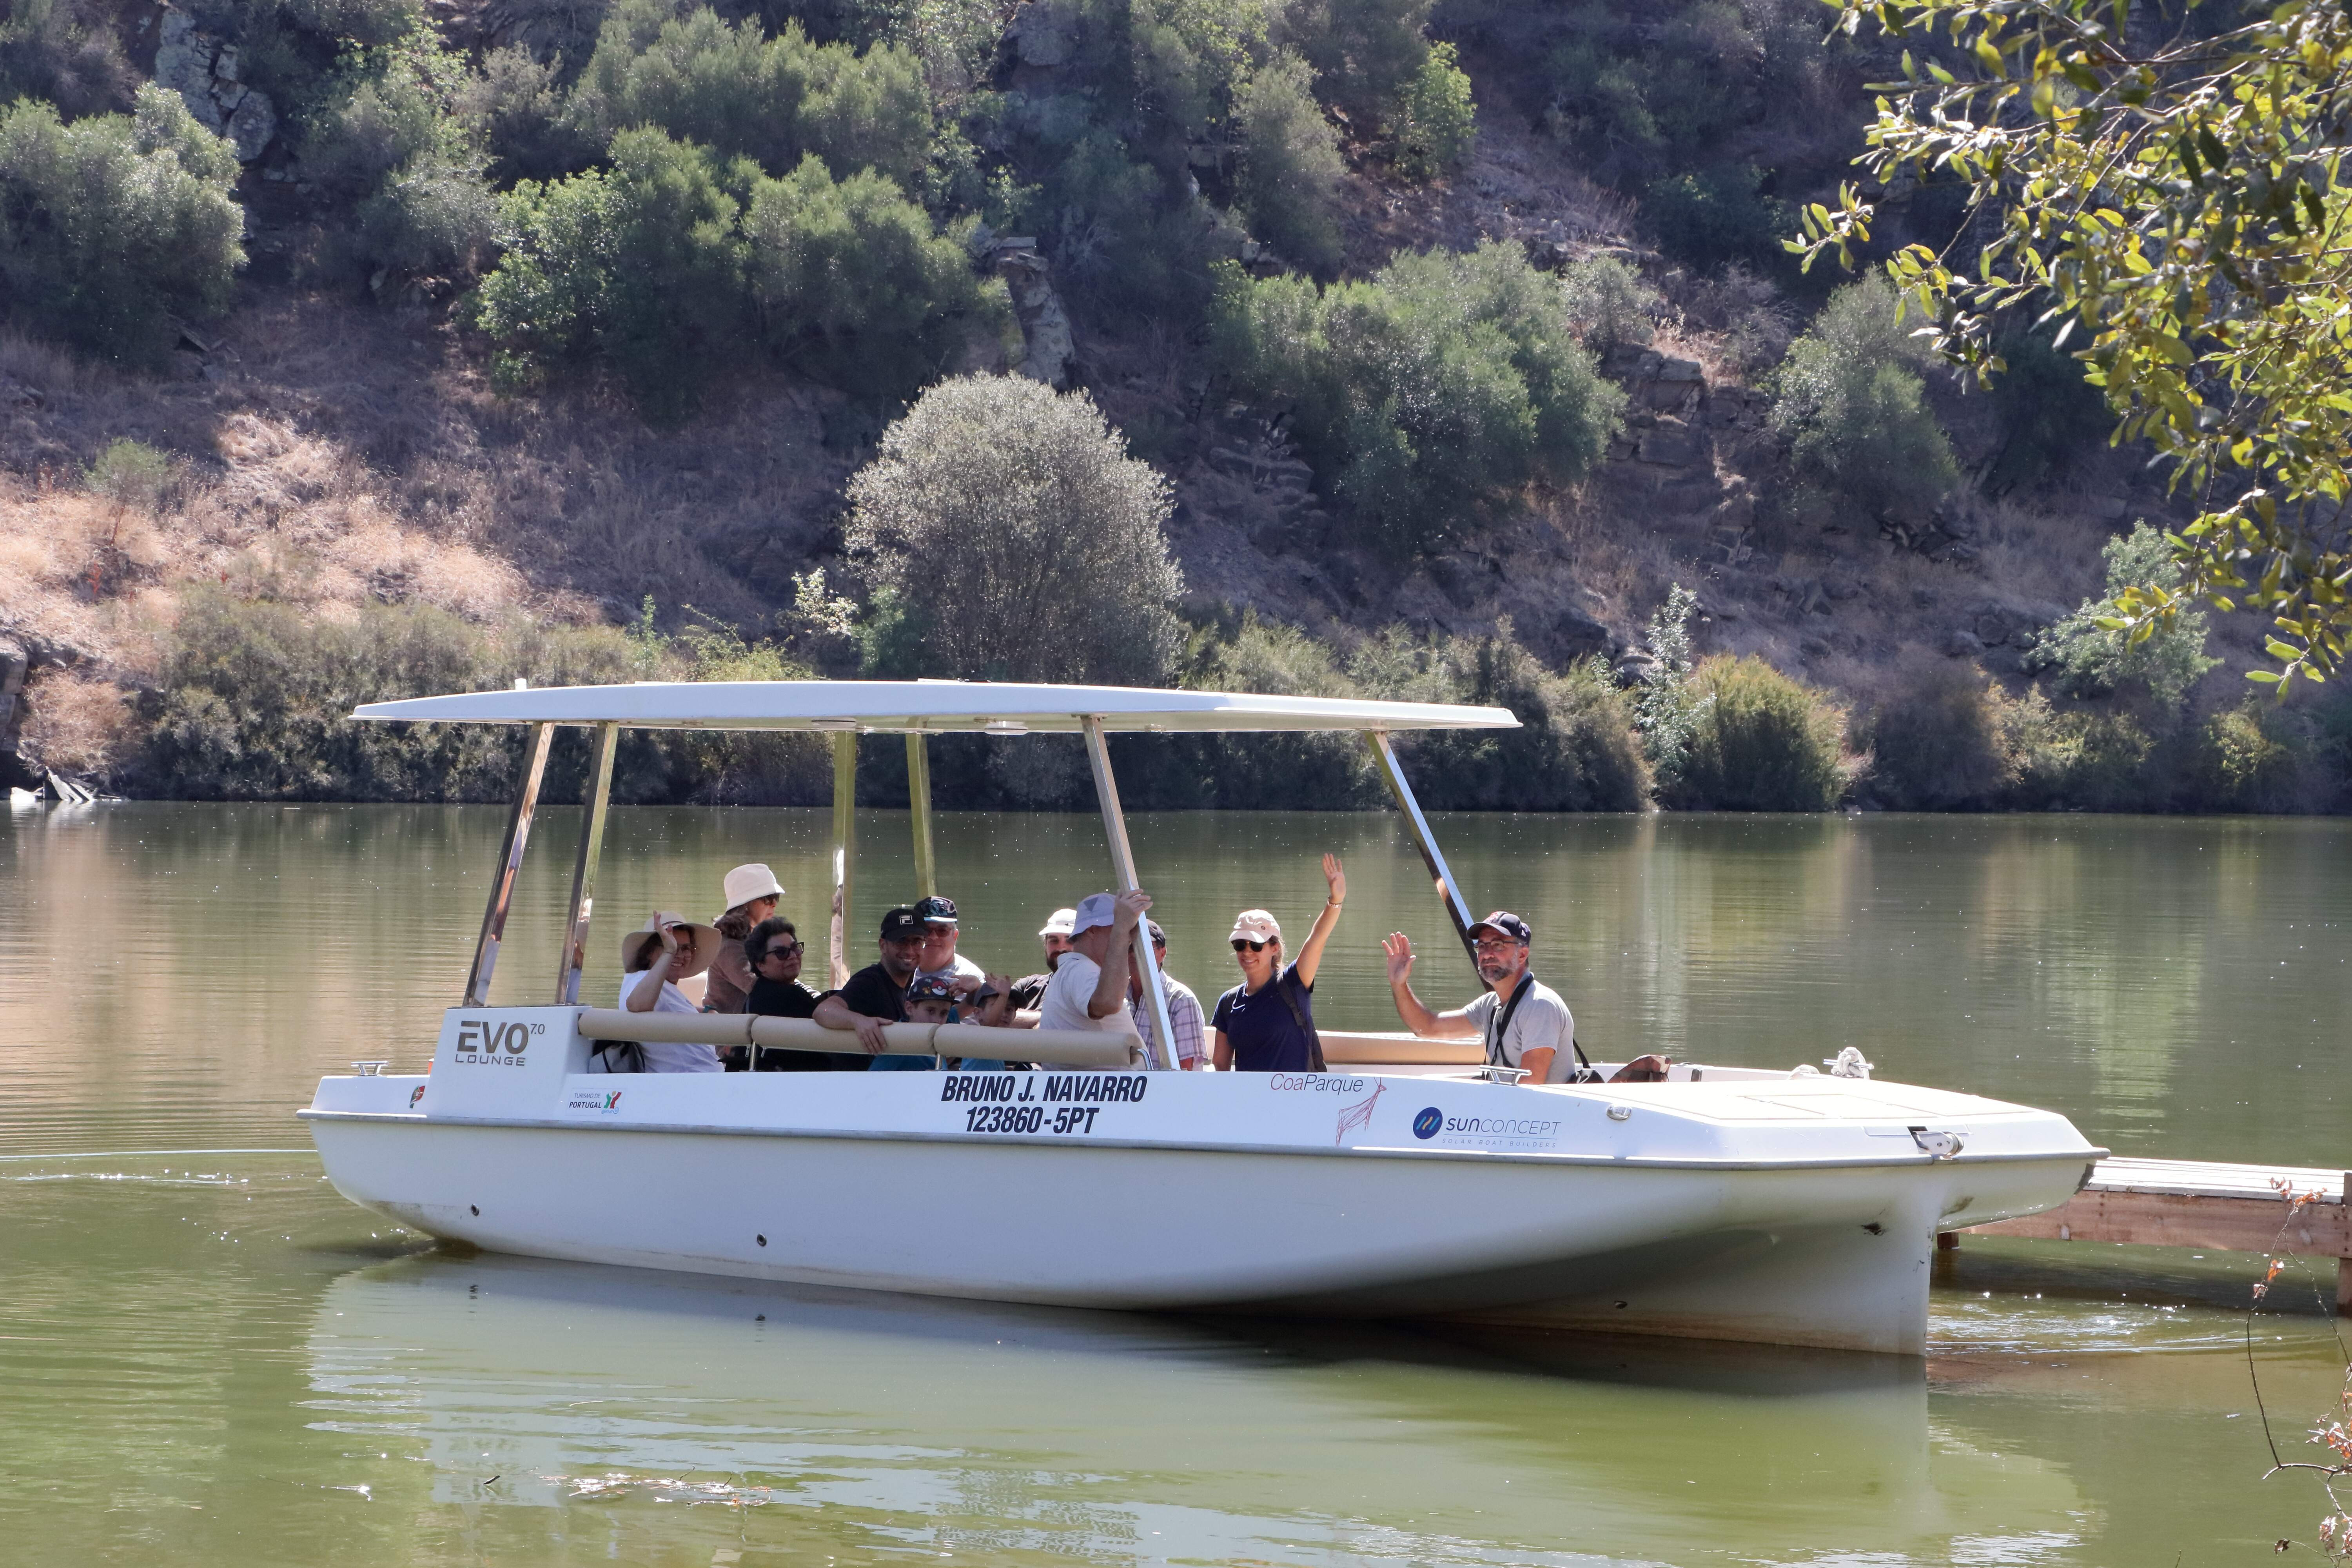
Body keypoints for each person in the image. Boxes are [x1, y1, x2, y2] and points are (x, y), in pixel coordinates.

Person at [1381, 912, 1669, 1084]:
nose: (1487, 953)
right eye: (1482, 946)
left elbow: (1532, 1085)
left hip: (1547, 1125)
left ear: (1522, 954)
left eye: (1498, 945)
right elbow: (1428, 1027)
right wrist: (1400, 984)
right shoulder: (1490, 1005)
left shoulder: (1539, 1006)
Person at [1211, 853, 1346, 1073]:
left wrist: (1336, 900)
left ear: (1275, 948)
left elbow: (1317, 939)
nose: (1247, 952)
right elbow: (1219, 1067)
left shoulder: (1294, 983)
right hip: (1249, 1104)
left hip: (1297, 1102)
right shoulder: (1228, 1003)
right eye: (1240, 945)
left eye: (1256, 946)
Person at [598, 912, 726, 1073]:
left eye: (686, 948)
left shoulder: (659, 985)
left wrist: (702, 1012)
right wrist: (669, 953)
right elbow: (636, 1005)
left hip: (703, 1080)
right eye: (669, 945)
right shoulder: (641, 979)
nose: (679, 955)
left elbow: (664, 1007)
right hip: (685, 1084)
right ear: (649, 952)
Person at [1037, 890, 1152, 1066]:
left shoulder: (1070, 971)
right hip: (1114, 1090)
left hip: (1110, 1087)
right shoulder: (1081, 970)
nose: (1128, 938)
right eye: (1116, 929)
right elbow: (1107, 1003)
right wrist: (1121, 930)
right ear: (1092, 931)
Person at [813, 907, 931, 1069]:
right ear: (883, 945)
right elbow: (823, 1011)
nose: (910, 950)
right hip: (857, 1087)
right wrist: (859, 1021)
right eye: (901, 941)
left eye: (917, 942)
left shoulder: (906, 986)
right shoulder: (870, 981)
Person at [743, 916, 864, 1072]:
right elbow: (825, 1020)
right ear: (760, 965)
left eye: (795, 948)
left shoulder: (757, 994)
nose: (793, 956)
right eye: (781, 953)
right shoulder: (788, 996)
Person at [704, 862, 784, 1014]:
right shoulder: (727, 945)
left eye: (776, 898)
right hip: (725, 1032)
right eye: (768, 898)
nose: (774, 904)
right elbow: (759, 988)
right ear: (747, 904)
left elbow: (782, 975)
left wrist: (816, 997)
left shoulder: (757, 938)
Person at [1128, 919, 1207, 1070]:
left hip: (1165, 1091)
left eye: (1143, 947)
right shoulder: (1115, 999)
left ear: (1163, 953)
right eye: (1130, 947)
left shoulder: (1182, 1001)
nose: (1134, 953)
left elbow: (1187, 1074)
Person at [1008, 907, 1076, 1017]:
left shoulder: (1091, 991)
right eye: (1054, 941)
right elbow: (994, 1014)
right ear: (1045, 945)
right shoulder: (1027, 986)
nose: (1061, 948)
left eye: (1070, 940)